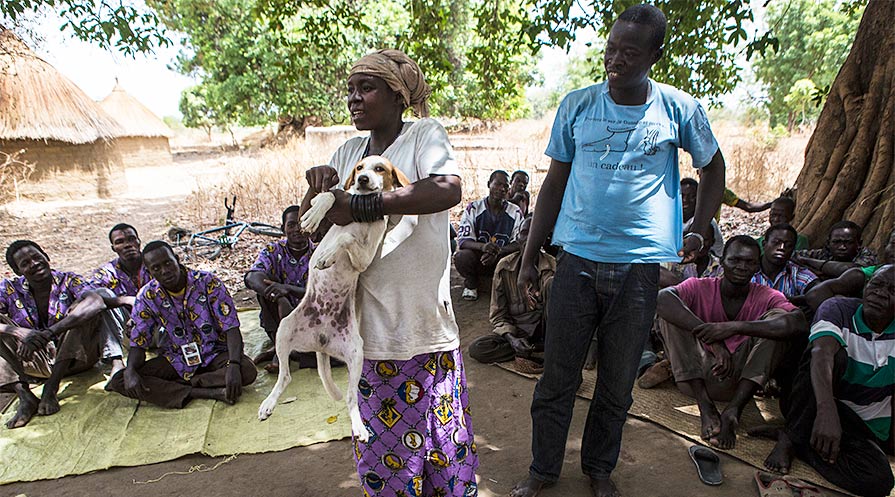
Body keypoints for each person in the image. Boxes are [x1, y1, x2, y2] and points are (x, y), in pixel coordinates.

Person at [511, 5, 726, 497]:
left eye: (631, 51)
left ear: (655, 54)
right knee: (557, 378)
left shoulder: (679, 109)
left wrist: (698, 229)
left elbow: (713, 168)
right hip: (576, 261)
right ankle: (542, 470)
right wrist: (529, 255)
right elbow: (554, 181)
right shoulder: (578, 105)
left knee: (616, 382)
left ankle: (599, 469)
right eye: (611, 48)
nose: (617, 59)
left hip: (639, 268)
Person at [301, 49, 478, 496]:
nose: (353, 99)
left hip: (425, 325)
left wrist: (364, 202)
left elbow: (447, 189)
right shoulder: (346, 154)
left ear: (397, 95)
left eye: (366, 88)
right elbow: (317, 225)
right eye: (350, 91)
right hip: (371, 333)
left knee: (445, 454)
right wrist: (315, 188)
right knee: (389, 463)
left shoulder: (423, 137)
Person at [656, 236, 807, 449]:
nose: (742, 267)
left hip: (740, 383)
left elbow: (798, 323)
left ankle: (732, 411)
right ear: (722, 260)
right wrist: (714, 343)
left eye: (749, 262)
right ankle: (706, 407)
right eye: (735, 260)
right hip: (696, 377)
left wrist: (735, 327)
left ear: (757, 266)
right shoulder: (700, 286)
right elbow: (662, 298)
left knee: (779, 322)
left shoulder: (766, 295)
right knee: (670, 314)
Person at [761, 265, 894, 497]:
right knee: (828, 353)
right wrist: (826, 412)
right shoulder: (838, 308)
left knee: (879, 481)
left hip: (861, 423)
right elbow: (821, 354)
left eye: (892, 290)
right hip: (813, 404)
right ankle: (793, 436)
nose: (880, 293)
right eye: (876, 284)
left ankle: (797, 440)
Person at [105, 241, 257, 408]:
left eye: (168, 263)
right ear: (149, 271)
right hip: (177, 358)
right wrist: (131, 370)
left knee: (247, 370)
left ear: (177, 259)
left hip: (214, 353)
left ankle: (185, 385)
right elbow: (138, 342)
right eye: (156, 268)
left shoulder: (208, 283)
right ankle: (203, 391)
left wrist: (233, 364)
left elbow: (231, 328)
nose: (165, 271)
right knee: (121, 380)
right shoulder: (147, 296)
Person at [0, 240, 130, 428]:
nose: (34, 263)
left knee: (83, 310)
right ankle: (25, 396)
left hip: (76, 359)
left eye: (37, 257)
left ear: (47, 257)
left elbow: (97, 302)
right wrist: (19, 332)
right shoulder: (9, 289)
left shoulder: (68, 280)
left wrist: (50, 332)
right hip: (35, 361)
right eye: (25, 263)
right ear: (18, 271)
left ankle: (50, 389)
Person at [468, 217, 555, 371]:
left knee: (552, 284)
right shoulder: (504, 266)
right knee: (478, 348)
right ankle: (533, 350)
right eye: (524, 233)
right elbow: (498, 315)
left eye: (534, 233)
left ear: (542, 239)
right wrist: (512, 339)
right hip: (519, 332)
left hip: (547, 332)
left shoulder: (553, 266)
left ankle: (542, 349)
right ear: (517, 238)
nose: (528, 238)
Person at [244, 205, 316, 373]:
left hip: (310, 322)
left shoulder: (320, 253)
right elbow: (251, 277)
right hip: (276, 320)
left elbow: (324, 294)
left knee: (337, 356)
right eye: (291, 225)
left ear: (311, 226)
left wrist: (288, 289)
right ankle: (287, 348)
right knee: (266, 284)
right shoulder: (273, 250)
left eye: (302, 223)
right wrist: (281, 298)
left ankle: (282, 350)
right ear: (282, 228)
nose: (297, 229)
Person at [454, 169, 524, 301]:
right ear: (489, 184)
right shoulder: (474, 208)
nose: (502, 189)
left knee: (518, 259)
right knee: (462, 256)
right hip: (480, 258)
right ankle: (472, 283)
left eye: (505, 186)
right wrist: (483, 247)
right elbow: (463, 241)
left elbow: (519, 243)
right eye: (498, 184)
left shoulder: (514, 211)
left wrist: (498, 251)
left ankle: (499, 284)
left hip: (501, 258)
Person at [791, 228, 895, 314]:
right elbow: (816, 294)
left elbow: (846, 268)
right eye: (894, 244)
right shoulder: (867, 273)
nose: (842, 247)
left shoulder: (866, 258)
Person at [793, 220, 878, 279]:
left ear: (859, 243)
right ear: (828, 243)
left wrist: (807, 261)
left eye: (848, 242)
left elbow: (849, 271)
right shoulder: (825, 253)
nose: (842, 247)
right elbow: (790, 255)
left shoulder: (867, 256)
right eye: (836, 242)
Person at [90, 223, 151, 299]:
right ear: (113, 248)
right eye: (120, 242)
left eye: (131, 239)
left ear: (139, 242)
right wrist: (124, 300)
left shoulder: (155, 263)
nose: (127, 245)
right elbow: (91, 294)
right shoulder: (108, 273)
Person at [681, 178, 724, 257]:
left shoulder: (708, 222)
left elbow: (718, 252)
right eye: (682, 196)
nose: (685, 200)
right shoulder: (670, 220)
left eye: (692, 197)